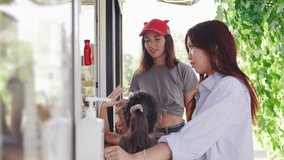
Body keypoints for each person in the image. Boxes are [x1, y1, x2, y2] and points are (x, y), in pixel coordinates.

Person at [104, 20, 259, 160]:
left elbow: (191, 137)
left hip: (175, 134)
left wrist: (134, 158)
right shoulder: (210, 87)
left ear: (214, 48)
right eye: (147, 40)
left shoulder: (228, 88)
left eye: (192, 47)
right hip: (154, 135)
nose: (189, 54)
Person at [128, 18, 198, 138]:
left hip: (177, 134)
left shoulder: (184, 71)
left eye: (157, 39)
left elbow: (192, 113)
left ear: (167, 41)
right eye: (147, 40)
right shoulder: (139, 74)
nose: (151, 44)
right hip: (148, 136)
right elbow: (133, 111)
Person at [100, 86, 160, 154]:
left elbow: (106, 135)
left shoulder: (127, 142)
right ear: (158, 118)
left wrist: (103, 106)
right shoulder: (164, 148)